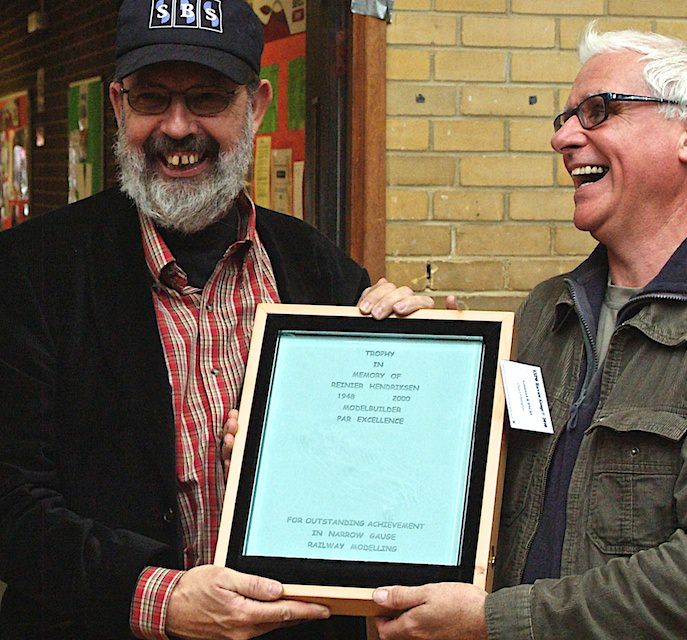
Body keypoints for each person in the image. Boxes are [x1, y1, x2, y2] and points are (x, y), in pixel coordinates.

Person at [0, 1, 429, 639]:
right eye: (151, 99)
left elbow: (383, 479)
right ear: (118, 106)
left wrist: (412, 362)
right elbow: (12, 500)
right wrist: (161, 599)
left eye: (206, 98)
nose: (177, 127)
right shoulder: (32, 271)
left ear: (254, 107)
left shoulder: (321, 271)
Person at [369, 24, 687, 640]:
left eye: (598, 111)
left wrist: (498, 622)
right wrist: (411, 376)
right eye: (566, 117)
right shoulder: (548, 313)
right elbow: (473, 496)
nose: (564, 137)